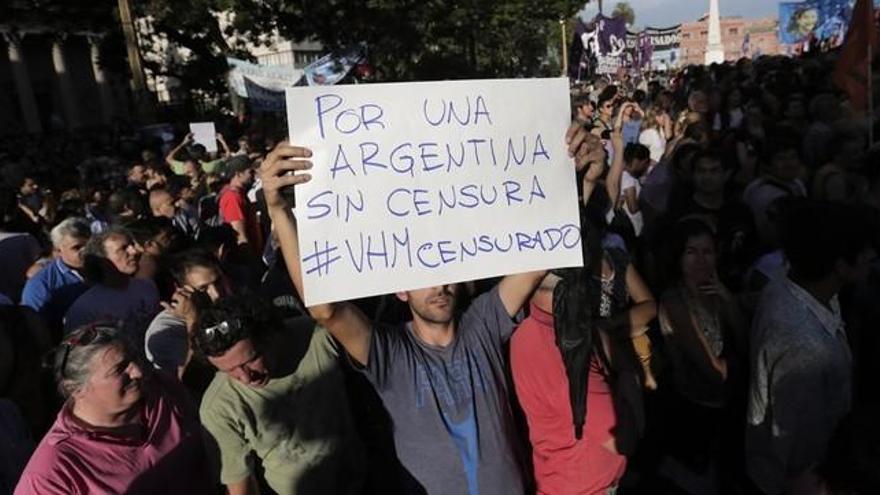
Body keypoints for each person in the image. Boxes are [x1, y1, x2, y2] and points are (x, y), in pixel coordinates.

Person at [259, 125, 593, 494]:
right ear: (401, 290)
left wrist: (567, 172)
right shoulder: (389, 353)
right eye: (425, 275)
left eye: (446, 272)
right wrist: (277, 209)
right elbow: (325, 309)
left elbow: (546, 248)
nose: (440, 285)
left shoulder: (482, 323)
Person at [746, 200, 877, 495]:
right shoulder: (806, 348)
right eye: (865, 250)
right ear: (840, 266)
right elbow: (797, 444)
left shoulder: (790, 285)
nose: (872, 256)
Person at [14, 322, 212, 494]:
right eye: (120, 369)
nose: (137, 372)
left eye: (134, 358)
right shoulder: (53, 472)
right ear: (75, 389)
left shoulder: (162, 390)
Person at [195, 294, 364, 495]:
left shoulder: (319, 336)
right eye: (229, 370)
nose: (246, 377)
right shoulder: (219, 407)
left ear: (269, 335)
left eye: (251, 359)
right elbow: (240, 484)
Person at [657, 219, 748, 493]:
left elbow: (745, 341)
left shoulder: (719, 293)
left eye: (707, 252)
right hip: (694, 414)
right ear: (678, 257)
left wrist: (730, 303)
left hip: (723, 410)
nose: (700, 260)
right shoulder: (675, 301)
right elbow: (715, 371)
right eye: (691, 252)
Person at [144, 250, 229, 375]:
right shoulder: (165, 331)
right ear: (181, 290)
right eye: (203, 288)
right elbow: (195, 375)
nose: (217, 294)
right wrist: (192, 320)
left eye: (218, 282)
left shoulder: (227, 306)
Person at [63, 226, 160, 335]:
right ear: (102, 260)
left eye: (132, 245)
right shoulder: (85, 309)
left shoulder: (146, 287)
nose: (134, 251)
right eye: (123, 248)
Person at [21, 218, 91, 334]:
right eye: (77, 248)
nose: (86, 251)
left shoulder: (106, 270)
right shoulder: (41, 284)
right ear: (58, 250)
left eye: (89, 245)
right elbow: (34, 328)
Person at [218, 156, 262, 254]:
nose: (253, 175)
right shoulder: (233, 197)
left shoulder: (240, 193)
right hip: (245, 256)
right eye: (250, 172)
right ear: (238, 174)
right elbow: (240, 235)